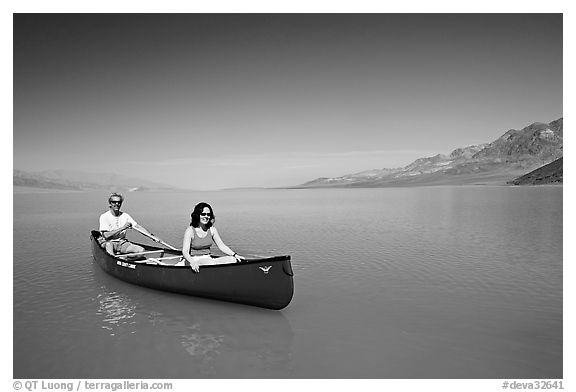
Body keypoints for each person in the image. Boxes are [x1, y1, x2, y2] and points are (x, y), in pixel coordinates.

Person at [180, 202, 245, 272]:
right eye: (203, 214)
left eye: (208, 214)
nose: (206, 216)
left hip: (207, 259)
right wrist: (192, 262)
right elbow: (185, 252)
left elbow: (222, 246)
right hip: (194, 259)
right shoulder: (190, 230)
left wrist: (234, 255)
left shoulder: (212, 229)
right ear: (197, 215)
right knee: (210, 262)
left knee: (232, 259)